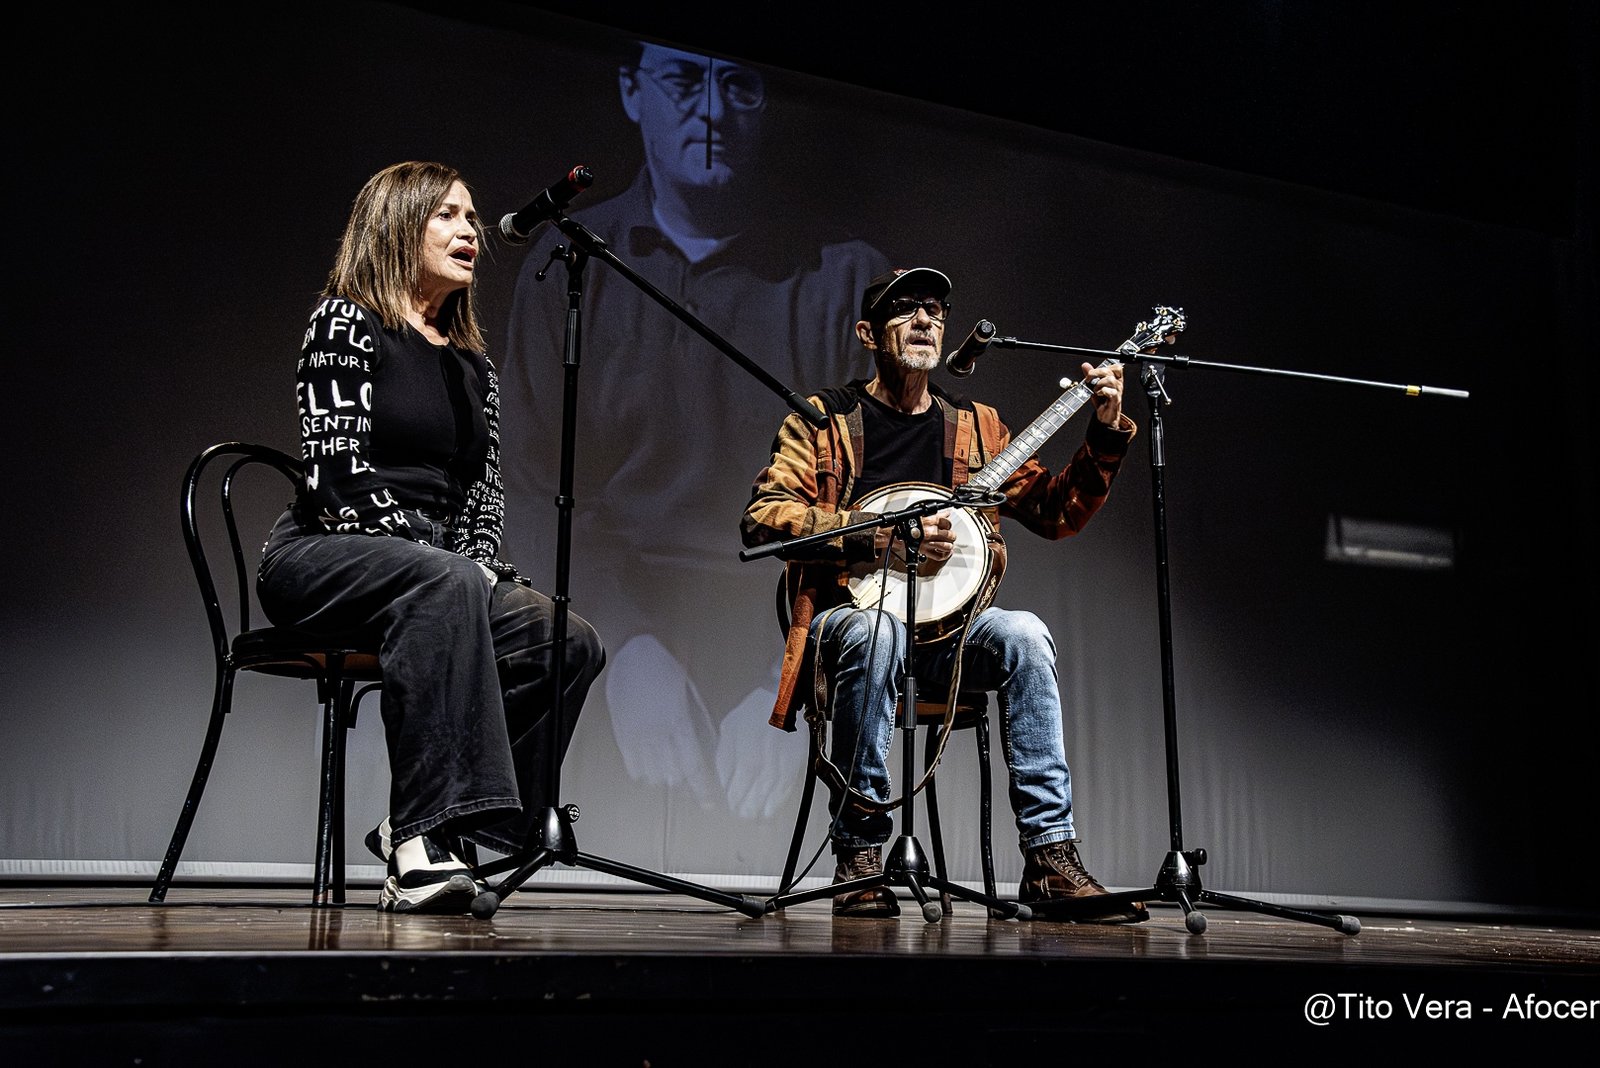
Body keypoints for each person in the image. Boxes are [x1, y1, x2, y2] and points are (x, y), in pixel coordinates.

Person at [500, 42, 890, 819]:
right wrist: (623, 649)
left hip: (788, 622)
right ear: (632, 89)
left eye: (737, 87)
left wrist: (792, 682)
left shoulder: (850, 281)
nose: (709, 110)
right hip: (606, 625)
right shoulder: (566, 265)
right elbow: (533, 487)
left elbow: (878, 506)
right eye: (681, 81)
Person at [741, 267, 1148, 922]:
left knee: (1025, 635)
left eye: (935, 307)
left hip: (948, 639)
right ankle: (860, 853)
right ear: (868, 333)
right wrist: (882, 537)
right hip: (849, 625)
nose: (925, 318)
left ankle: (1050, 859)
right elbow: (764, 519)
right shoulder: (822, 420)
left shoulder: (978, 428)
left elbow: (1056, 511)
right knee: (877, 631)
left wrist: (1103, 427)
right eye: (904, 307)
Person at [257, 161, 605, 914]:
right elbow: (335, 473)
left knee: (565, 640)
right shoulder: (344, 323)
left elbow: (482, 500)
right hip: (324, 554)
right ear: (396, 225)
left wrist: (471, 564)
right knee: (445, 581)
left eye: (472, 217)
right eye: (447, 214)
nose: (470, 230)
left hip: (434, 575)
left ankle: (441, 819)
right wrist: (443, 563)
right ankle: (420, 841)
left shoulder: (475, 367)